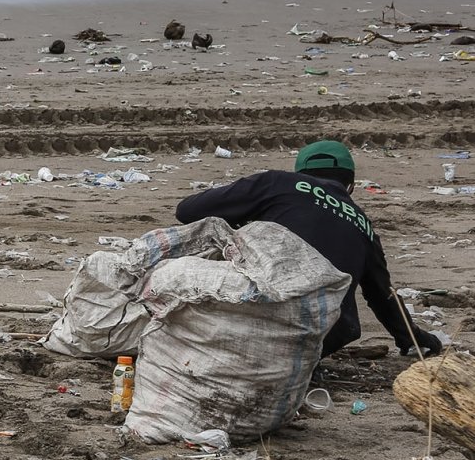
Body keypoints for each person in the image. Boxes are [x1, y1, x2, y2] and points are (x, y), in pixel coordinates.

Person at [175, 139, 442, 358]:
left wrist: (248, 214)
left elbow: (188, 211)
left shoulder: (278, 183)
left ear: (299, 173)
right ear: (350, 186)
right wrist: (416, 339)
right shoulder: (364, 227)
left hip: (254, 312)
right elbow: (384, 297)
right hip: (320, 337)